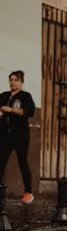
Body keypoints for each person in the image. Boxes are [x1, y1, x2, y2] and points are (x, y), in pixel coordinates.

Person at [0, 71, 37, 204]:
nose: (13, 82)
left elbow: (30, 112)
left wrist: (11, 110)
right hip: (5, 135)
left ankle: (28, 192)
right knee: (1, 162)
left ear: (21, 82)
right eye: (11, 80)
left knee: (22, 162)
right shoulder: (4, 95)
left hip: (21, 136)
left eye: (16, 80)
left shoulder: (25, 96)